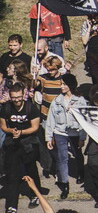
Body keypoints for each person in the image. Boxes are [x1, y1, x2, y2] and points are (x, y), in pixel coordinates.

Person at [1, 83, 41, 212]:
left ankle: (35, 194)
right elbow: (3, 126)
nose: (16, 100)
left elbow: (35, 127)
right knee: (12, 175)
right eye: (14, 98)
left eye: (19, 97)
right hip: (12, 144)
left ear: (23, 95)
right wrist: (10, 130)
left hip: (28, 143)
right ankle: (11, 206)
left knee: (31, 170)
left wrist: (22, 132)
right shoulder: (6, 108)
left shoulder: (31, 108)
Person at [44, 73, 85, 199]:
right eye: (61, 84)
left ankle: (81, 173)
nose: (61, 86)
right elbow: (50, 120)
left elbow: (84, 121)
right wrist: (49, 137)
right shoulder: (56, 101)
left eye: (64, 84)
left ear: (70, 85)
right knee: (62, 158)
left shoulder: (80, 100)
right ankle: (65, 184)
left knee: (77, 154)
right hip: (60, 132)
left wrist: (82, 137)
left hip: (74, 133)